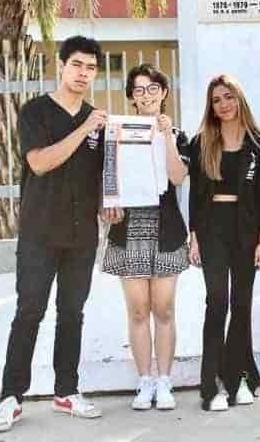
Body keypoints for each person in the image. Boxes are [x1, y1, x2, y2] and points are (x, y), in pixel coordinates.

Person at [0, 36, 107, 433]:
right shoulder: (36, 112)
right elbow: (40, 162)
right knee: (29, 312)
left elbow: (103, 174)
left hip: (82, 235)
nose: (83, 74)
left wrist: (111, 201)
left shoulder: (98, 120)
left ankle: (66, 391)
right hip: (40, 232)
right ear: (61, 65)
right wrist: (85, 129)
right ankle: (11, 396)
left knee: (72, 314)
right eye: (76, 65)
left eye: (90, 67)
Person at [100, 64, 190, 411]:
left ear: (164, 93)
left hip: (166, 227)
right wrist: (107, 205)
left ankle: (165, 380)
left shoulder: (177, 134)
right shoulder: (117, 132)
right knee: (138, 310)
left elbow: (179, 176)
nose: (147, 95)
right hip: (129, 226)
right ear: (131, 97)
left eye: (153, 88)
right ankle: (144, 380)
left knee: (164, 309)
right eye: (139, 90)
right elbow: (107, 177)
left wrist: (166, 136)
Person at [188, 74, 260, 411]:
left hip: (247, 230)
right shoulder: (201, 143)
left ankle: (238, 380)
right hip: (212, 228)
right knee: (217, 300)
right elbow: (194, 194)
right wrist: (193, 235)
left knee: (242, 304)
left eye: (228, 97)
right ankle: (210, 387)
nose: (223, 105)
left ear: (240, 99)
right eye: (217, 100)